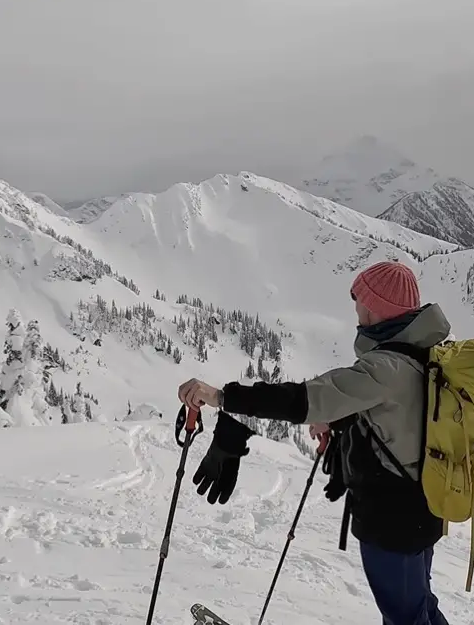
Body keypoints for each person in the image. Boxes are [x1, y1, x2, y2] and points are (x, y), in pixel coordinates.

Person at [178, 260, 451, 625]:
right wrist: (339, 418)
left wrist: (221, 396)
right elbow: (402, 413)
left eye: (359, 301)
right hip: (424, 508)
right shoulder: (425, 352)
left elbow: (302, 399)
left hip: (393, 521)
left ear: (373, 308)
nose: (355, 310)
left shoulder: (386, 368)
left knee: (406, 617)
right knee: (419, 608)